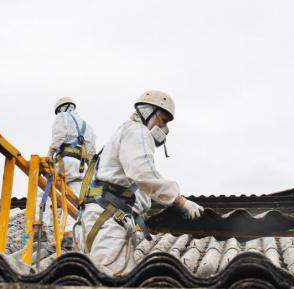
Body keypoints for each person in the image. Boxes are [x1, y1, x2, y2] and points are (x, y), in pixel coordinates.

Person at [76, 90, 203, 276]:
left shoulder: (126, 132)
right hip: (107, 223)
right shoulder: (137, 131)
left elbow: (138, 186)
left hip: (105, 219)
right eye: (163, 120)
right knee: (109, 280)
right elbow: (144, 173)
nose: (164, 128)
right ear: (148, 111)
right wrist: (179, 200)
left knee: (106, 279)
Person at [41, 97, 96, 243]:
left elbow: (59, 135)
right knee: (75, 199)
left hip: (65, 162)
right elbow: (92, 152)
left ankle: (40, 226)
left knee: (43, 187)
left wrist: (50, 153)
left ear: (60, 109)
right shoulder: (88, 126)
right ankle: (69, 233)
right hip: (81, 167)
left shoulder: (62, 117)